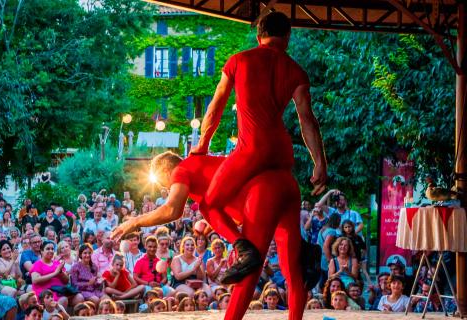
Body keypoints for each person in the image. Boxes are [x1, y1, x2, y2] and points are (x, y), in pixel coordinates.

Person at [189, 7, 326, 296]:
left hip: (252, 149)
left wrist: (202, 145)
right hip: (281, 151)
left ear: (258, 35)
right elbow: (307, 120)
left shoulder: (239, 60)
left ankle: (243, 249)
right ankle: (300, 260)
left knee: (209, 204)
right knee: (287, 236)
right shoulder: (296, 71)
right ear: (287, 37)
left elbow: (216, 106)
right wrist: (319, 164)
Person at [112, 151, 317, 320]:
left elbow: (172, 210)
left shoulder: (181, 169)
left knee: (247, 270)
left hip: (262, 193)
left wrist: (134, 221)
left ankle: (242, 248)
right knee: (295, 271)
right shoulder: (202, 166)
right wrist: (214, 227)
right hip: (285, 184)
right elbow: (235, 208)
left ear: (165, 169)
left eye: (162, 181)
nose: (164, 188)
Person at [31, 241, 83, 308]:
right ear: (42, 251)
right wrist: (55, 273)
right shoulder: (38, 264)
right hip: (47, 293)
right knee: (63, 299)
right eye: (48, 249)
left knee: (79, 297)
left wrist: (61, 273)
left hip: (61, 291)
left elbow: (66, 281)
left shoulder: (57, 263)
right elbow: (35, 280)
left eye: (52, 249)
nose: (51, 251)